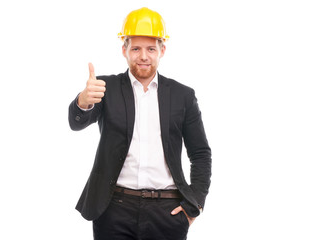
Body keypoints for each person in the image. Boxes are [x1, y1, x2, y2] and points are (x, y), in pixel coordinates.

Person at [68, 7, 212, 240]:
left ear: (162, 50)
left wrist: (196, 201)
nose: (143, 56)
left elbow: (201, 154)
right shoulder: (105, 88)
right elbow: (76, 123)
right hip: (113, 210)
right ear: (124, 50)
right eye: (135, 48)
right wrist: (83, 102)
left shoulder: (183, 96)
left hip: (168, 211)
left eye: (150, 49)